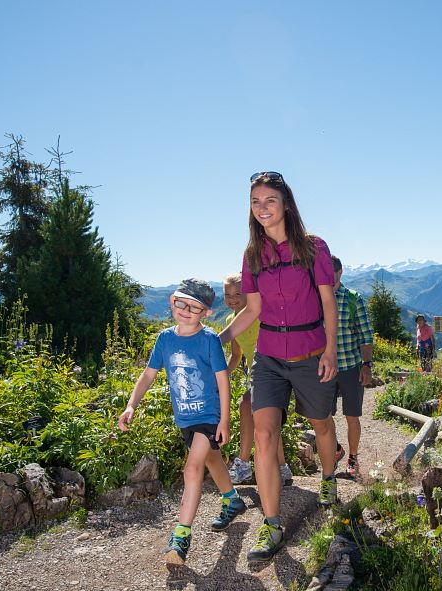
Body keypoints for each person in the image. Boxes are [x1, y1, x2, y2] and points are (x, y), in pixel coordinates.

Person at [219, 171, 340, 563]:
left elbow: (327, 303)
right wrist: (217, 340)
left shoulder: (313, 247)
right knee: (264, 435)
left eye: (269, 200)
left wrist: (331, 351)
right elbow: (252, 310)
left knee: (321, 422)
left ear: (286, 203)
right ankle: (271, 523)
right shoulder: (253, 255)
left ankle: (328, 478)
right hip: (269, 357)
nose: (262, 209)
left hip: (310, 353)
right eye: (255, 202)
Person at [118, 279, 246, 566]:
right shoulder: (165, 339)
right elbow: (148, 375)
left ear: (206, 313)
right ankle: (232, 498)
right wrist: (131, 405)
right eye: (181, 303)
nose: (186, 310)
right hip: (184, 417)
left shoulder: (209, 340)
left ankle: (181, 536)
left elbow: (223, 382)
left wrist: (224, 420)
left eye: (194, 307)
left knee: (192, 467)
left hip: (209, 416)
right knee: (212, 460)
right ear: (172, 301)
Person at [223, 272, 293, 486]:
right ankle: (282, 469)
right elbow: (236, 356)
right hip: (258, 376)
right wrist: (219, 377)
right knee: (265, 420)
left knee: (247, 404)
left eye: (238, 293)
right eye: (227, 294)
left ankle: (243, 465)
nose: (233, 298)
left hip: (278, 371)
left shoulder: (262, 313)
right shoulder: (230, 321)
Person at [330, 255, 374, 478]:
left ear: (340, 272)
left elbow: (366, 335)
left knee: (352, 415)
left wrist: (366, 365)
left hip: (350, 366)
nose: (329, 276)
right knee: (320, 415)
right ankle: (336, 448)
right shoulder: (316, 298)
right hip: (324, 367)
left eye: (332, 272)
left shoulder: (353, 299)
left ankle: (353, 458)